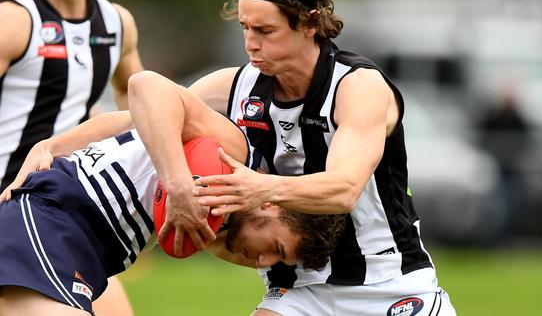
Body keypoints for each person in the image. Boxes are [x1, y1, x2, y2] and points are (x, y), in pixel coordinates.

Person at [130, 0, 457, 315]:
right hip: (296, 290)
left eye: (265, 31)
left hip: (388, 284)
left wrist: (261, 187)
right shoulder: (237, 86)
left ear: (308, 23)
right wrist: (57, 146)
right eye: (245, 28)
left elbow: (343, 188)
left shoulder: (357, 87)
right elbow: (140, 115)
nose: (250, 44)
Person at [0, 77, 346, 316]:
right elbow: (144, 87)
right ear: (273, 203)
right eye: (277, 249)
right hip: (53, 220)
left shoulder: (223, 224)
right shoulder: (236, 152)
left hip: (85, 255)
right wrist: (177, 185)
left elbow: (128, 123)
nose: (263, 263)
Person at [0, 0, 143, 312]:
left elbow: (137, 97)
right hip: (10, 205)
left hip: (67, 209)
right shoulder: (13, 21)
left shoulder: (116, 23)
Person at [0, 0, 144, 192]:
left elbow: (133, 94)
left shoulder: (117, 22)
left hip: (67, 199)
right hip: (7, 195)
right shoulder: (12, 20)